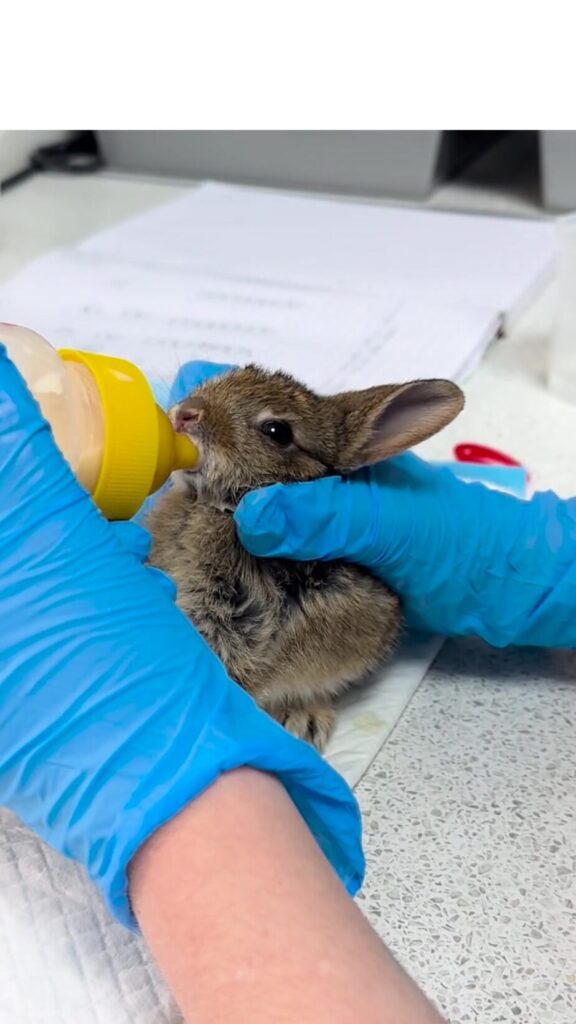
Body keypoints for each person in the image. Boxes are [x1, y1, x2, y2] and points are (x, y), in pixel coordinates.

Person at [2, 351, 572, 1024]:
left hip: (299, 643)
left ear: (313, 462)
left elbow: (239, 638)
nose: (188, 417)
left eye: (272, 432)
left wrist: (138, 737)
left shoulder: (282, 527)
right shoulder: (185, 499)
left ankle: (293, 694)